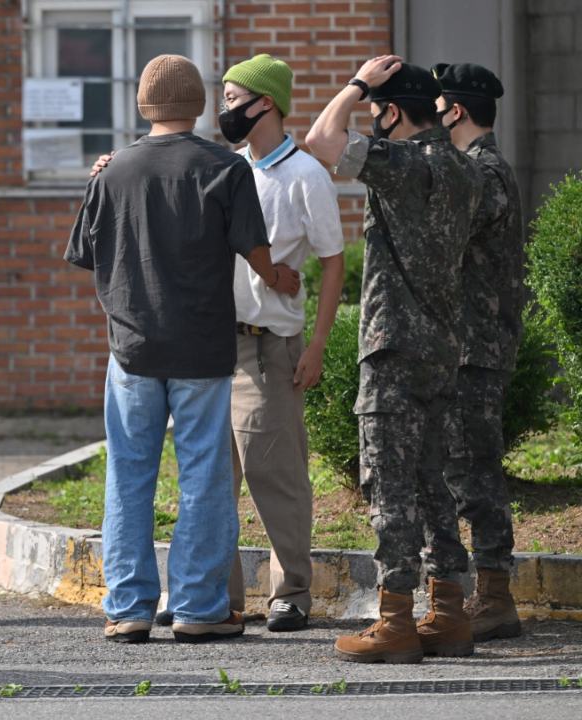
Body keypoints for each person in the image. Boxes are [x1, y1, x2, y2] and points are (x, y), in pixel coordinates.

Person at [92, 53, 345, 633]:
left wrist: (317, 344)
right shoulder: (221, 165)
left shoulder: (301, 175)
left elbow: (330, 264)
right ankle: (206, 601)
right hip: (203, 343)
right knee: (209, 478)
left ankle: (278, 591)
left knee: (258, 473)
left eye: (237, 99)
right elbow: (248, 250)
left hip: (224, 344)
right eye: (223, 99)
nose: (228, 109)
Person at [306, 56, 483, 663]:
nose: (372, 120)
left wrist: (356, 85)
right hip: (441, 349)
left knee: (390, 489)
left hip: (393, 351)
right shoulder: (465, 170)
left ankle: (396, 621)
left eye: (379, 111)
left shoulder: (404, 163)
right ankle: (450, 613)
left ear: (392, 111)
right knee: (434, 485)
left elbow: (321, 140)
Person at [433, 62, 526, 642]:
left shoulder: (482, 173)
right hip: (469, 345)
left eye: (438, 105)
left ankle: (494, 595)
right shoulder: (479, 168)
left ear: (456, 110)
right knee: (466, 469)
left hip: (475, 349)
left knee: (476, 475)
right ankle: (488, 591)